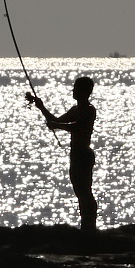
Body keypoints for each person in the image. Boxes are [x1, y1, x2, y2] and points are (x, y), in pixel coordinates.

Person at [28, 76, 98, 231]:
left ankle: (90, 226)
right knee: (79, 192)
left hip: (84, 156)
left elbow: (76, 127)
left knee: (85, 192)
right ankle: (86, 226)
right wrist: (41, 107)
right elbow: (55, 121)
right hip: (75, 155)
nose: (73, 90)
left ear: (85, 92)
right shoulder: (75, 110)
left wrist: (57, 125)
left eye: (77, 88)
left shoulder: (89, 110)